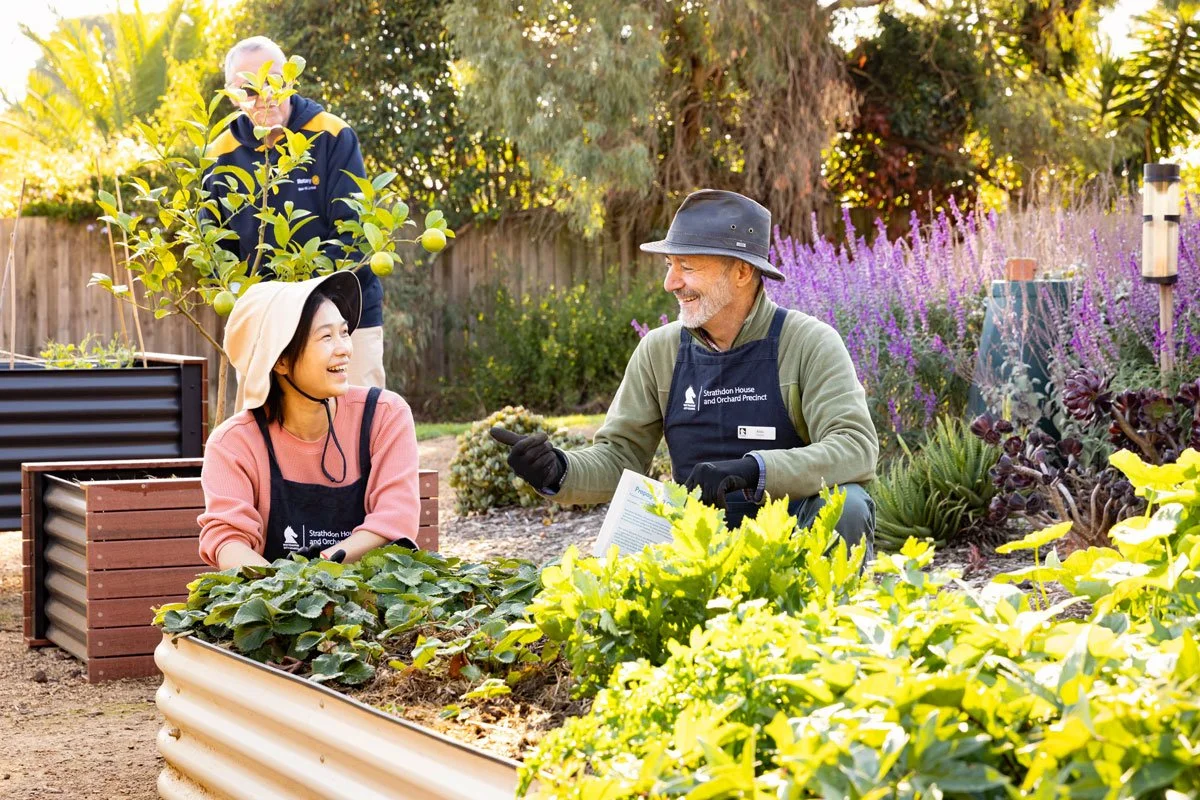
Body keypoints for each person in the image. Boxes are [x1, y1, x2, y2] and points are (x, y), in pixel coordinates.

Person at [491, 190, 879, 555]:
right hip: (694, 544)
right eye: (669, 265)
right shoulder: (660, 350)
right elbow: (620, 455)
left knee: (848, 504)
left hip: (790, 540)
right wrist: (559, 470)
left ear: (742, 272)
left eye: (687, 267)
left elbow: (855, 447)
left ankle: (817, 623)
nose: (670, 282)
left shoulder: (808, 343)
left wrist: (755, 470)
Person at [198, 271, 420, 569]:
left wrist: (319, 566)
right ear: (281, 360)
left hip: (374, 602)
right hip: (276, 609)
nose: (344, 348)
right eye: (326, 337)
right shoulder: (233, 444)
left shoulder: (385, 415)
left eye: (343, 332)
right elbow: (228, 540)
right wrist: (286, 590)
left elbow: (396, 516)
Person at [207, 35, 386, 388]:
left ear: (290, 79)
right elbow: (213, 243)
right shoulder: (219, 153)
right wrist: (255, 296)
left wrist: (302, 297)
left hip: (347, 313)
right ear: (231, 96)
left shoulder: (332, 134)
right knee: (264, 427)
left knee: (359, 421)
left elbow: (355, 231)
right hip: (267, 321)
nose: (265, 96)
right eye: (250, 90)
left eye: (274, 82)